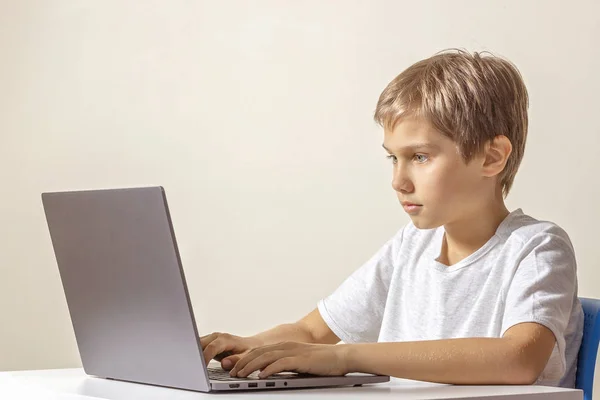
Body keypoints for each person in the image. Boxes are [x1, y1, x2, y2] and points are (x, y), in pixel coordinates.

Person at [201, 49, 583, 387]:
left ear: (491, 157)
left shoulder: (536, 248)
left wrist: (346, 357)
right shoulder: (412, 246)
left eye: (419, 157)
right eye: (393, 157)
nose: (398, 181)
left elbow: (518, 360)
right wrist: (251, 345)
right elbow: (311, 332)